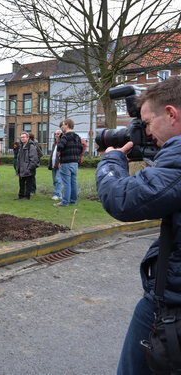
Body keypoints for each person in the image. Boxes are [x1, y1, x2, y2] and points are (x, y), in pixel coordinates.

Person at [96, 76, 181, 375]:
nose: (145, 131)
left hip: (172, 304)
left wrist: (111, 162)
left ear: (171, 114)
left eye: (147, 123)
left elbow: (124, 199)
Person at [54, 118, 83, 207]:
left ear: (67, 125)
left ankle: (65, 202)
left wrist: (58, 141)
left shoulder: (65, 136)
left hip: (66, 162)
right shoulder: (77, 137)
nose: (62, 127)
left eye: (63, 125)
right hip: (75, 162)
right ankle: (73, 200)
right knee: (73, 182)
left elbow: (60, 147)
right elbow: (81, 149)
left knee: (66, 183)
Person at [15, 132, 38, 200]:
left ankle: (27, 197)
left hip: (28, 169)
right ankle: (21, 196)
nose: (22, 138)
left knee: (28, 184)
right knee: (21, 183)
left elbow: (34, 159)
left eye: (24, 137)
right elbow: (19, 159)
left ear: (28, 138)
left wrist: (29, 169)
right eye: (21, 137)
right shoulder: (21, 146)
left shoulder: (31, 147)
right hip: (21, 169)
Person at [48, 130, 62, 201]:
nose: (56, 135)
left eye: (58, 134)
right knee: (55, 180)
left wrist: (61, 162)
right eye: (55, 134)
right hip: (54, 165)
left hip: (60, 165)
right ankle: (59, 194)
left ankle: (56, 194)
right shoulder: (54, 144)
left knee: (58, 179)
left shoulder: (62, 143)